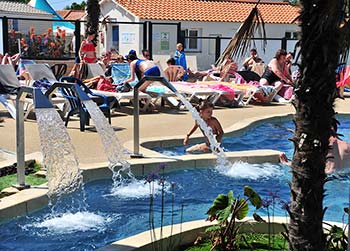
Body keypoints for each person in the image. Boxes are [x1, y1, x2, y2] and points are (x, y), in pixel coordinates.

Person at [279, 135, 350, 174]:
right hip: (345, 178)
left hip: (328, 182)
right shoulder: (347, 145)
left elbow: (329, 170)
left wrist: (287, 164)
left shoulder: (322, 145)